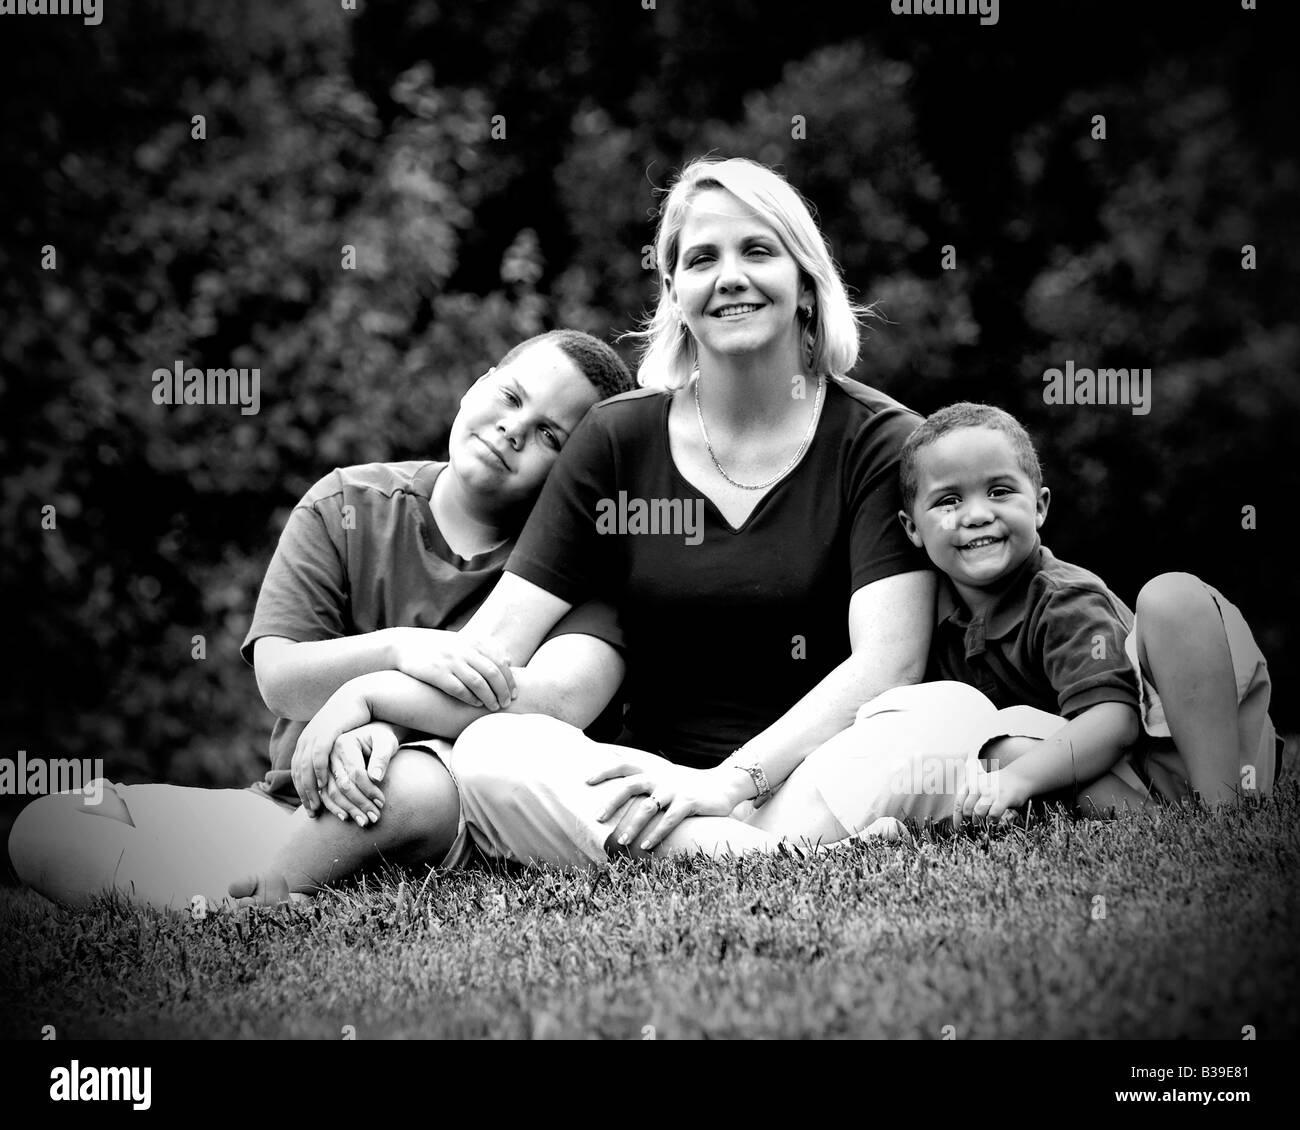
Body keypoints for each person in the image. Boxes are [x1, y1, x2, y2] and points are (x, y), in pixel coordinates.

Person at [288, 155, 938, 869]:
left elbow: (889, 664)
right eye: (701, 259)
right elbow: (493, 654)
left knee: (928, 722)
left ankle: (756, 850)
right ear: (674, 292)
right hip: (645, 794)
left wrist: (730, 783)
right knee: (494, 747)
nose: (730, 277)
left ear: (806, 283)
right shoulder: (615, 440)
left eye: (758, 251)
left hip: (814, 775)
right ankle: (787, 862)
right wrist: (378, 702)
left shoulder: (884, 443)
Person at [7, 330, 636, 909]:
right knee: (49, 827)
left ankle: (254, 899)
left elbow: (553, 704)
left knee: (414, 784)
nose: (512, 429)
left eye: (551, 435)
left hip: (441, 814)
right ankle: (238, 884)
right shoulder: (347, 503)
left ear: (577, 475)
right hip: (295, 802)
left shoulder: (573, 575)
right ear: (479, 381)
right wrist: (397, 649)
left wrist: (380, 714)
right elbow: (280, 679)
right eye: (509, 396)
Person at [657, 399, 1280, 849]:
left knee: (1171, 597)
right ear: (910, 531)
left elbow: (1113, 723)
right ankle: (1150, 825)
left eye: (1000, 492)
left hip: (1188, 749)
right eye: (949, 501)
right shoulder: (931, 623)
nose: (976, 515)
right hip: (1114, 792)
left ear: (1039, 507)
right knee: (986, 742)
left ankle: (1222, 818)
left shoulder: (1060, 599)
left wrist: (1016, 781)